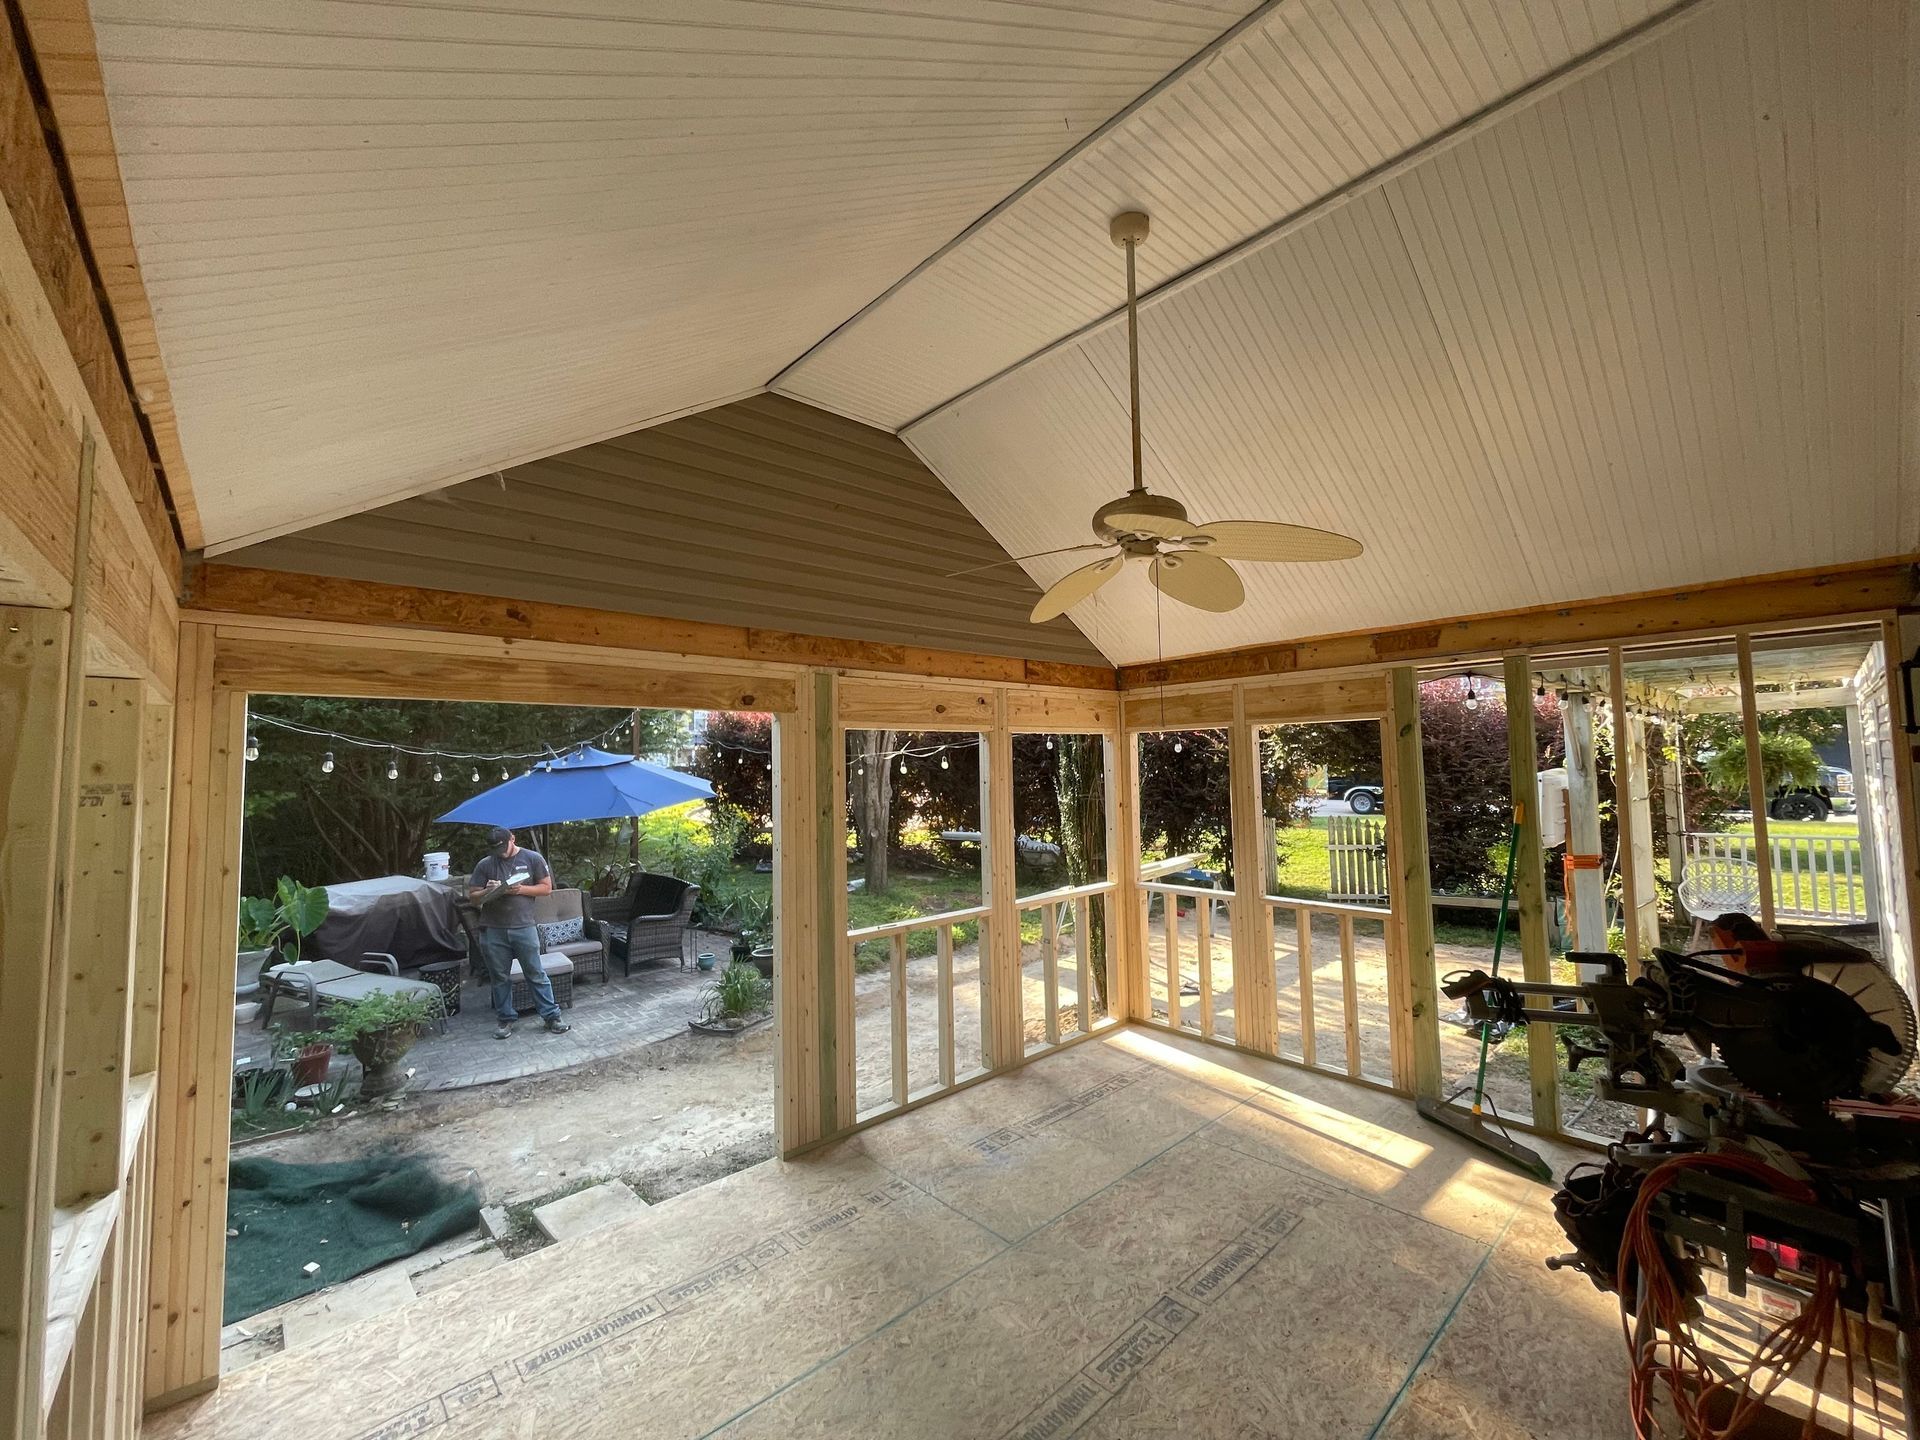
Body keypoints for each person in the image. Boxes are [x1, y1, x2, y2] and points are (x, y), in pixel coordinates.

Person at [467, 826, 570, 1039]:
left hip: (523, 926)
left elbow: (546, 888)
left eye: (504, 847)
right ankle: (505, 1019)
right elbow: (473, 896)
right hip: (493, 929)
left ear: (512, 839)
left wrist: (519, 889)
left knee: (535, 972)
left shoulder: (532, 858)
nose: (501, 852)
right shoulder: (485, 864)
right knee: (499, 977)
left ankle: (551, 1016)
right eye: (496, 849)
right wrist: (489, 890)